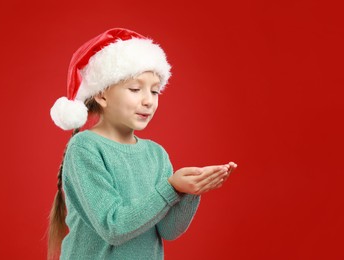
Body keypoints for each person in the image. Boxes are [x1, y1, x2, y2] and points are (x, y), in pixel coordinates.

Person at [47, 28, 237, 260]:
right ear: (102, 95)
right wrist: (170, 187)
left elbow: (167, 230)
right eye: (135, 89)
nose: (148, 101)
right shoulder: (85, 148)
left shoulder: (156, 154)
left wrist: (189, 191)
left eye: (155, 91)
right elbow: (113, 227)